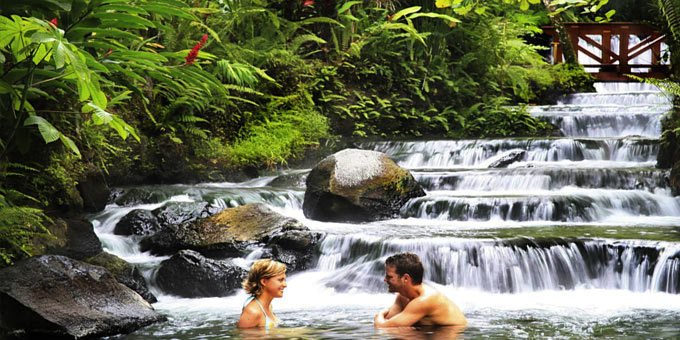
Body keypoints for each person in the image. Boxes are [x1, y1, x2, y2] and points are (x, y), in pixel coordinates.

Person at [374, 252, 467, 328]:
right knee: (402, 330)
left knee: (401, 330)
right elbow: (390, 320)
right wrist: (383, 319)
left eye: (389, 276)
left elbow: (383, 326)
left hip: (452, 333)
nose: (385, 280)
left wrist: (380, 314)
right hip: (431, 333)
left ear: (405, 278)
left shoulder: (425, 300)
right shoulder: (402, 297)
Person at [238, 259, 287, 329]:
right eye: (280, 280)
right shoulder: (253, 312)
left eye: (285, 280)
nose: (285, 285)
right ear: (264, 282)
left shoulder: (268, 305)